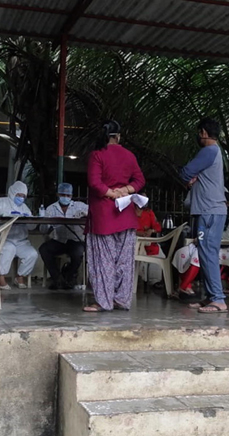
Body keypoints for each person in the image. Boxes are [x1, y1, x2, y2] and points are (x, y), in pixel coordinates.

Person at [84, 120, 145, 312]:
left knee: (103, 260)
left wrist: (111, 193)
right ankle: (121, 299)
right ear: (118, 136)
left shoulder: (97, 155)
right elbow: (140, 179)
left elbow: (94, 182)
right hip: (125, 214)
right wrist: (126, 190)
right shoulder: (129, 155)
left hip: (103, 215)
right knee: (125, 260)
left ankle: (103, 301)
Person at [180, 118, 228, 313]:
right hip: (210, 210)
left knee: (207, 253)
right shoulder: (216, 152)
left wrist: (190, 178)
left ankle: (218, 299)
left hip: (210, 210)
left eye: (199, 132)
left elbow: (185, 172)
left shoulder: (208, 151)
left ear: (204, 132)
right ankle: (210, 296)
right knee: (205, 252)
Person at [39, 182, 88, 290]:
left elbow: (93, 212)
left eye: (68, 195)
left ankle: (69, 277)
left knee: (78, 253)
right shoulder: (51, 209)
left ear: (71, 196)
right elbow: (43, 230)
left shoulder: (80, 206)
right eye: (63, 195)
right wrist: (47, 224)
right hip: (59, 240)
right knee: (44, 249)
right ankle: (57, 278)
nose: (65, 197)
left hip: (75, 240)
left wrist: (84, 214)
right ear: (58, 195)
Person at [0, 181, 38, 290]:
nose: (21, 198)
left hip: (21, 241)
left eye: (23, 196)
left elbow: (31, 227)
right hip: (4, 239)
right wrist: (7, 214)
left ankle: (20, 276)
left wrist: (30, 219)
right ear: (12, 193)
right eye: (19, 195)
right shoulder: (2, 202)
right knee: (9, 249)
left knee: (32, 254)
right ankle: (0, 276)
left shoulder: (25, 208)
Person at [135, 193, 164, 288]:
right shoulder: (129, 212)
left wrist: (151, 230)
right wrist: (138, 233)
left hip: (148, 244)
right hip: (134, 243)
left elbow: (158, 227)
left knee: (157, 252)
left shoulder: (149, 212)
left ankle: (154, 281)